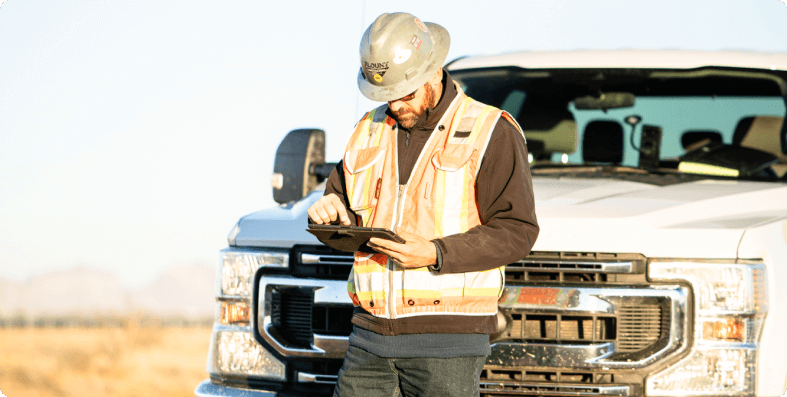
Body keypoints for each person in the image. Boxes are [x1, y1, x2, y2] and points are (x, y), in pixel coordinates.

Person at [307, 12, 539, 397]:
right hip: (369, 336)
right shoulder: (367, 129)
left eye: (406, 94)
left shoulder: (491, 130)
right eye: (386, 95)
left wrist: (435, 253)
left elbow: (518, 231)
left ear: (433, 73)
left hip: (447, 344)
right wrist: (330, 211)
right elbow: (342, 202)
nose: (395, 106)